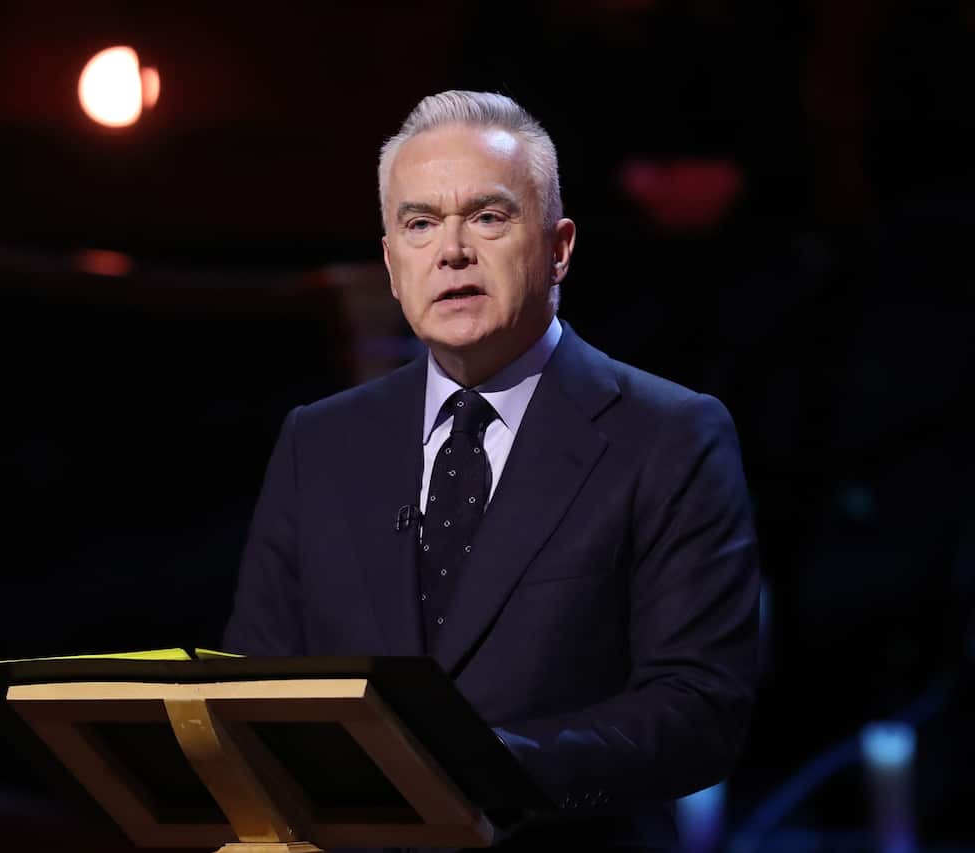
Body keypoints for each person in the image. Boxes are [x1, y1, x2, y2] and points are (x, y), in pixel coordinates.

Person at [223, 90, 760, 852]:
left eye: (487, 216)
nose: (451, 250)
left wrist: (484, 769)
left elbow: (700, 710)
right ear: (390, 260)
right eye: (419, 223)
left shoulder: (669, 435)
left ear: (559, 246)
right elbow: (257, 691)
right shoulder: (320, 441)